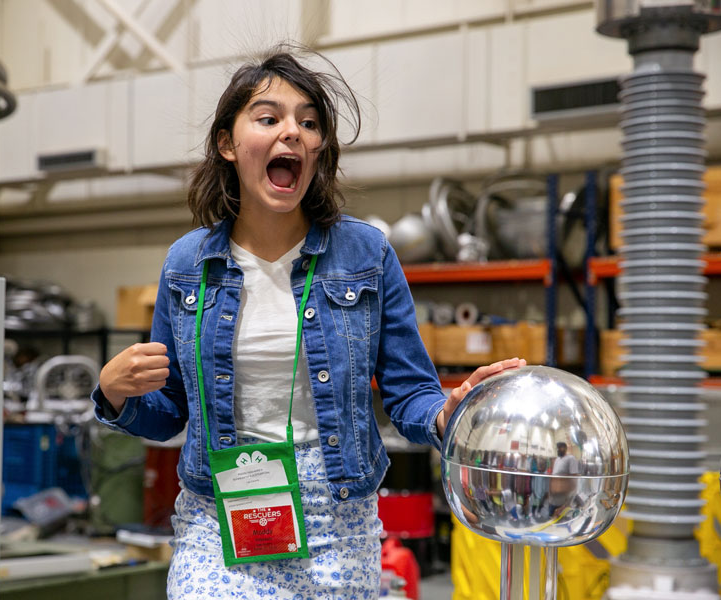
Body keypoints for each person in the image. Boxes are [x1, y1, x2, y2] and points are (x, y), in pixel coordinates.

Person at [93, 46, 526, 599]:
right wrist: (115, 395)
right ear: (228, 143)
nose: (293, 132)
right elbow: (170, 408)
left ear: (320, 148)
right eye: (269, 118)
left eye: (309, 122)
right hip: (219, 515)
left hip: (338, 521)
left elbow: (409, 390)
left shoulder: (366, 254)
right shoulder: (189, 264)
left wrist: (443, 414)